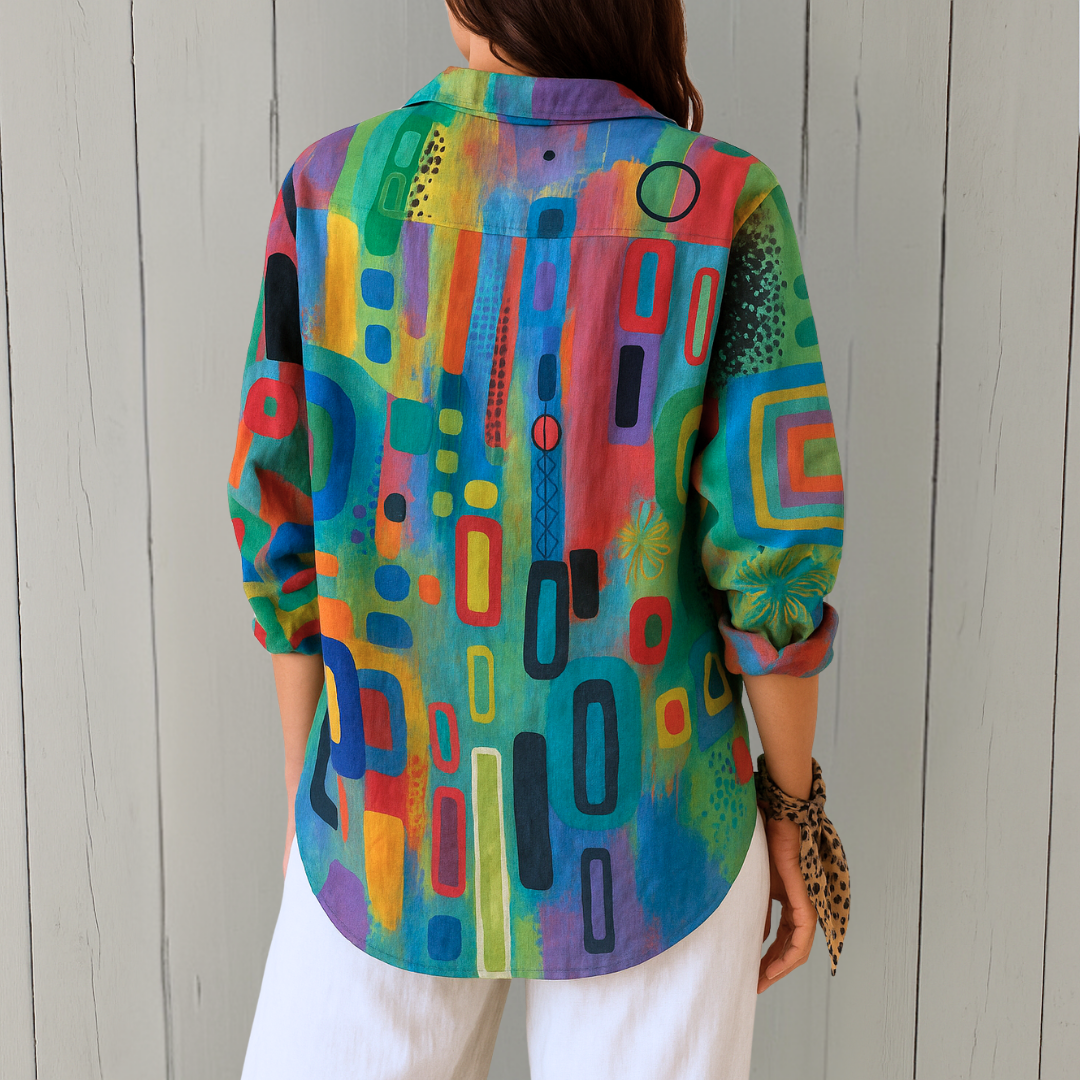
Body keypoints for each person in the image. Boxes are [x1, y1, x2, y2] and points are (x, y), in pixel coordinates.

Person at [228, 1, 850, 1077]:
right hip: (658, 833)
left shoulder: (332, 189)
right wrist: (794, 806)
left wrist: (309, 797)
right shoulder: (715, 203)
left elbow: (275, 521)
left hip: (383, 822)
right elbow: (771, 549)